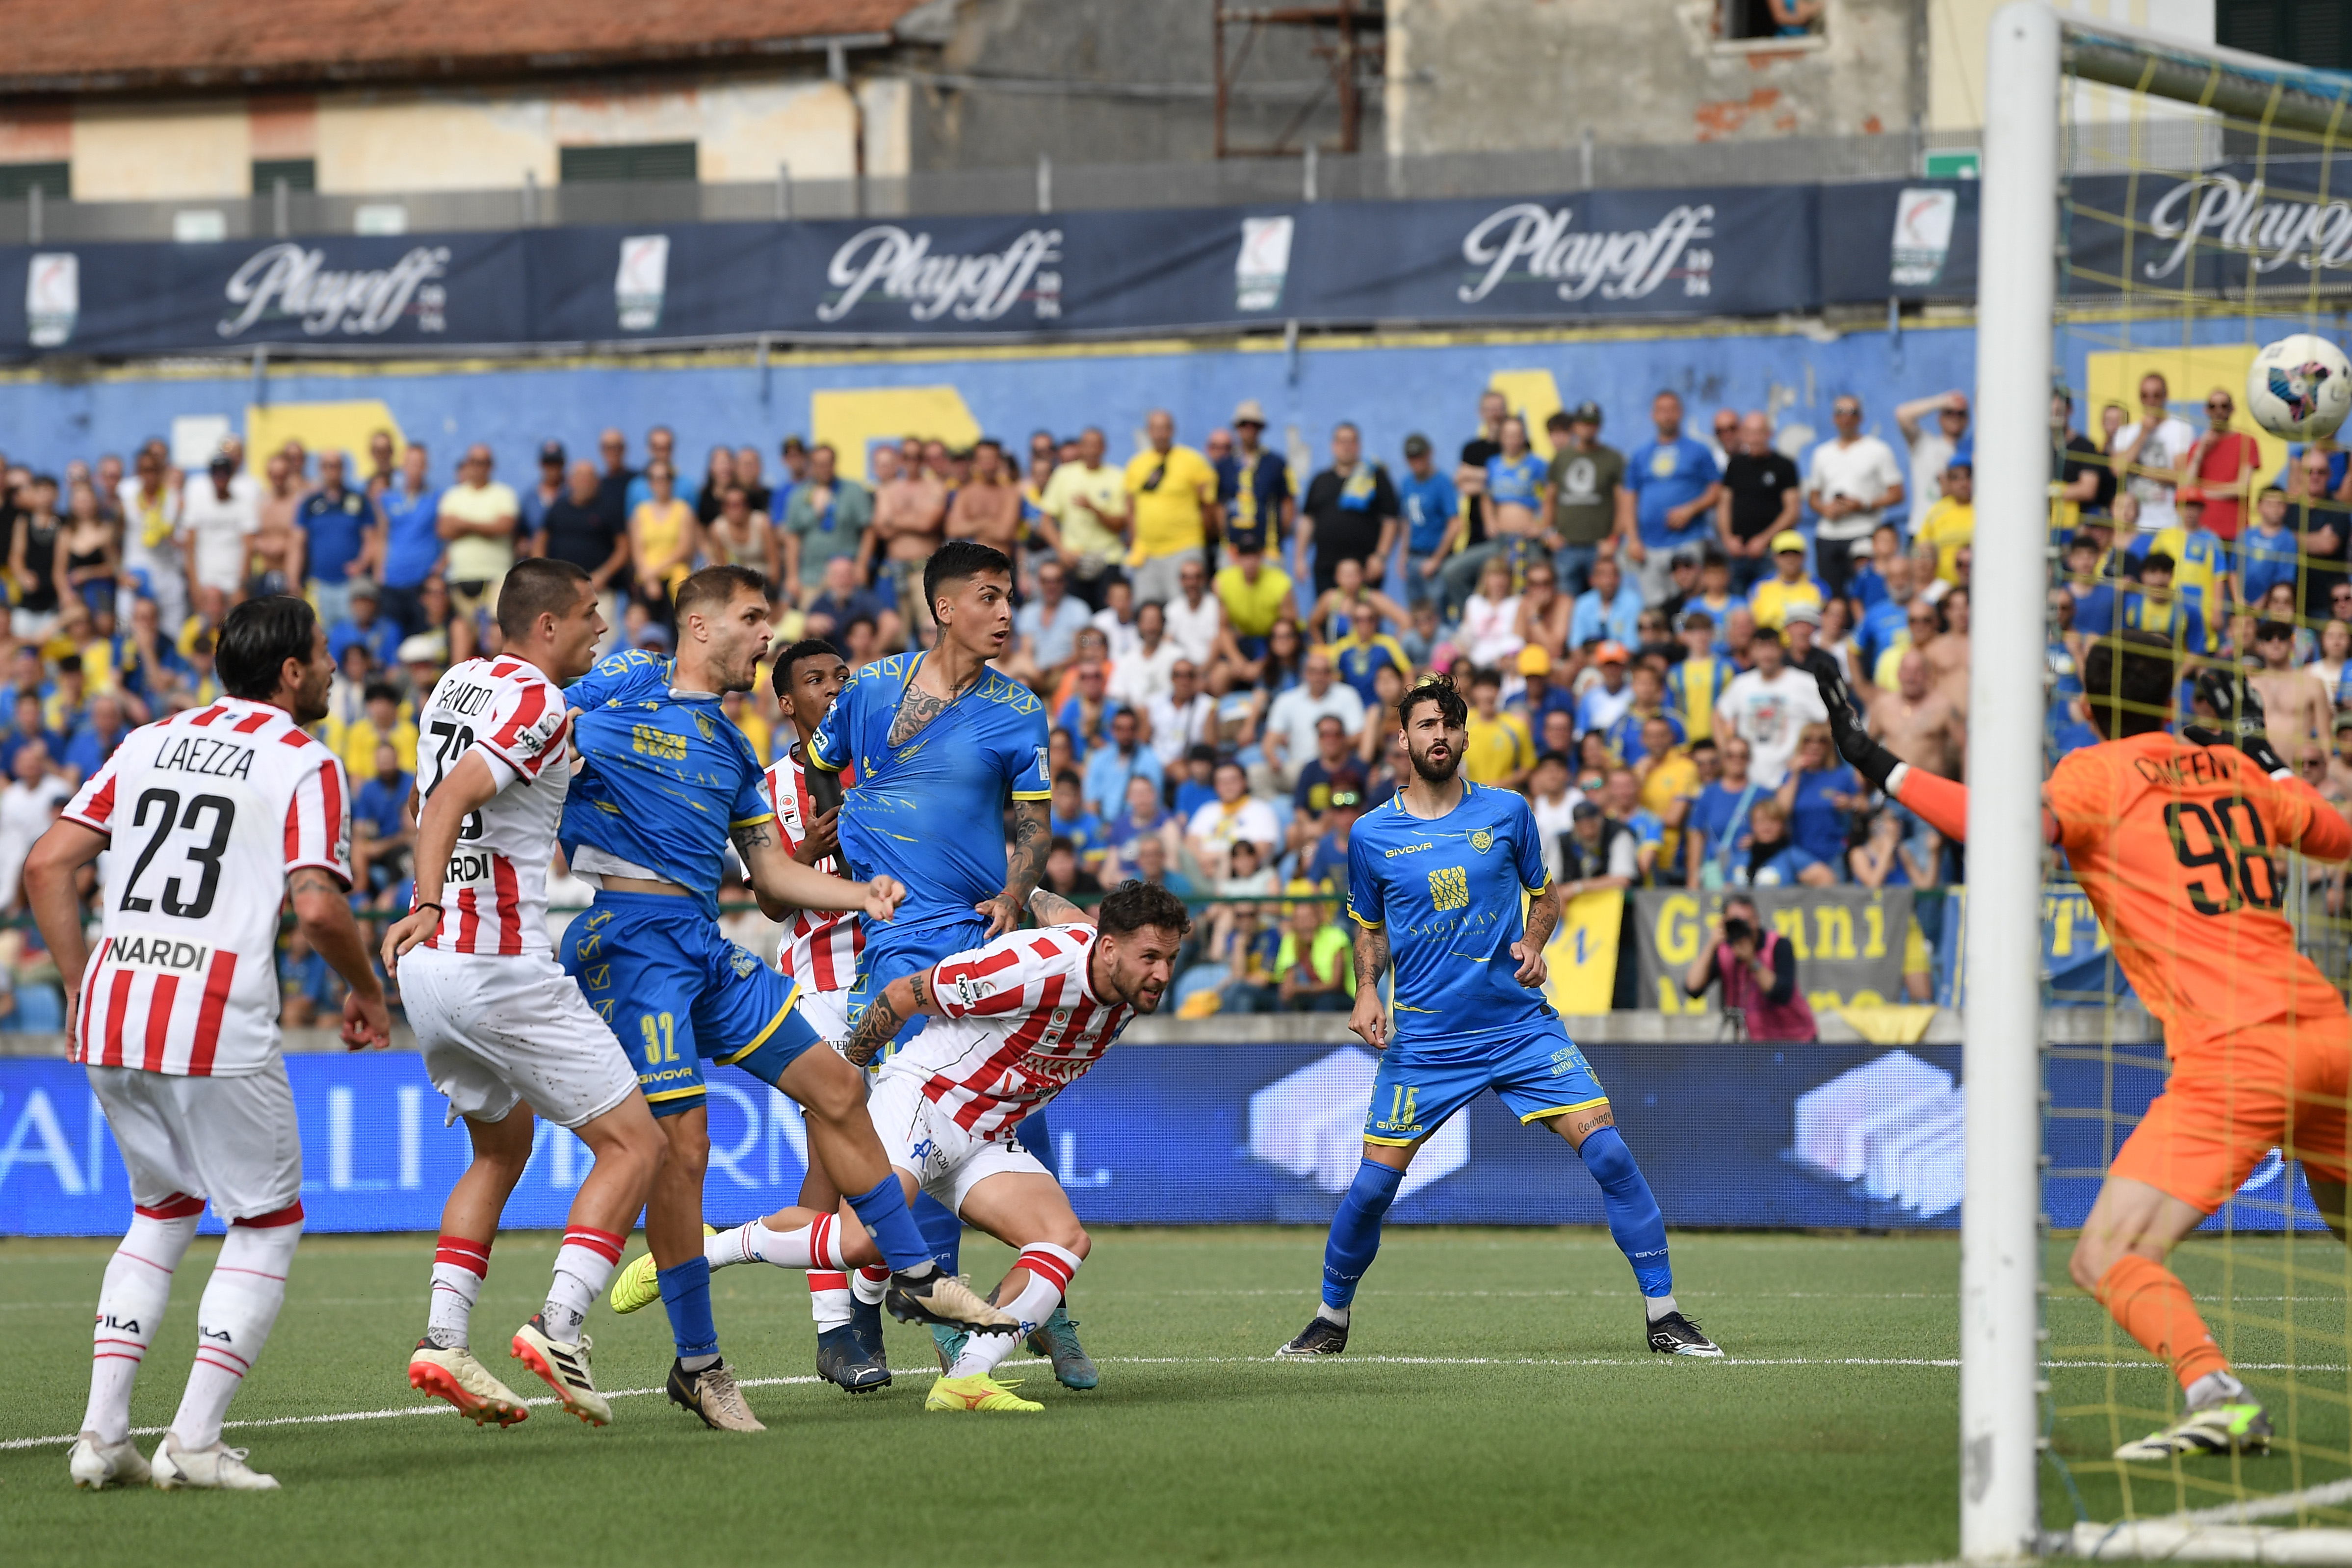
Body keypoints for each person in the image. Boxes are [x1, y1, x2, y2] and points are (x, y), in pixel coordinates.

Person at [1819, 643, 2352, 1461]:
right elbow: (2335, 838)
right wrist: (2265, 762)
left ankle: (2218, 1398)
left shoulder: (2091, 774)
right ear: (2171, 697)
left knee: (2105, 1253)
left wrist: (1876, 763)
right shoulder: (2231, 768)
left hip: (2235, 1052)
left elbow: (2000, 831)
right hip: (2328, 1031)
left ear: (2084, 707)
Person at [563, 565, 1014, 1433]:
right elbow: (533, 720)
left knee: (837, 1093)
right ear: (700, 627)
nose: (768, 633)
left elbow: (767, 875)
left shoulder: (732, 749)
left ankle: (915, 1276)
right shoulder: (627, 681)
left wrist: (862, 895)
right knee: (681, 1150)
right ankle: (698, 1363)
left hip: (701, 942)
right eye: (753, 617)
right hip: (631, 938)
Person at [33, 595, 394, 1491]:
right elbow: (315, 903)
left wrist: (81, 981)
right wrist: (362, 987)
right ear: (291, 673)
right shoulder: (304, 760)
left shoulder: (151, 736)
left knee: (160, 1210)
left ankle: (101, 1434)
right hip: (213, 1012)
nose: (336, 667)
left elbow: (46, 864)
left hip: (116, 1007)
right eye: (323, 653)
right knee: (267, 1222)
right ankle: (193, 1441)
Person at [1276, 674, 1719, 1359]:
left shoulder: (1507, 813)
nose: (1440, 736)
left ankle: (1664, 1315)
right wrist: (1366, 991)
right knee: (1369, 1191)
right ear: (1403, 737)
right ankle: (1329, 1321)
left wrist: (1533, 944)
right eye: (1426, 724)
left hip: (1519, 1028)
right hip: (1426, 1037)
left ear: (1464, 735)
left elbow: (1546, 898)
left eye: (1450, 724)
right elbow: (1368, 928)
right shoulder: (1370, 834)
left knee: (1609, 1153)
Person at [674, 882, 1189, 1412]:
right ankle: (700, 1254)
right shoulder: (1031, 969)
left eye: (1171, 958)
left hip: (986, 1133)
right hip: (923, 1103)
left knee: (1064, 1239)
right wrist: (846, 1077)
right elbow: (902, 995)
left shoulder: (1118, 970)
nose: (1163, 974)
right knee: (860, 1245)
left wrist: (1028, 891)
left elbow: (1070, 915)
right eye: (1151, 957)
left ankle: (966, 1378)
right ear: (1108, 949)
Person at [373, 559, 667, 1429]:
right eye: (589, 617)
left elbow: (442, 799)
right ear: (546, 627)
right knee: (633, 1145)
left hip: (430, 976)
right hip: (495, 963)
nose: (598, 632)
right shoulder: (537, 701)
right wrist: (425, 902)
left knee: (499, 1150)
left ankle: (442, 1336)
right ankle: (561, 1326)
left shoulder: (456, 684)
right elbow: (457, 798)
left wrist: (427, 905)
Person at [802, 540, 1093, 1379]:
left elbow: (1033, 827)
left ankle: (1042, 1308)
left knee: (1009, 1114)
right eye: (991, 597)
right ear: (944, 608)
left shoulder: (1017, 709)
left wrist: (1014, 892)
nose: (1006, 613)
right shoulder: (866, 690)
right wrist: (846, 850)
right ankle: (948, 1314)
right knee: (920, 1134)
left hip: (984, 939)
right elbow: (819, 768)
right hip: (897, 944)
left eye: (1010, 599)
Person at [751, 635, 888, 1391]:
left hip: (899, 976)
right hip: (821, 984)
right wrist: (810, 845)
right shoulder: (768, 784)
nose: (834, 688)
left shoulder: (888, 766)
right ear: (787, 702)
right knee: (830, 1160)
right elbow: (770, 897)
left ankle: (865, 1307)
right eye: (814, 680)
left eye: (842, 676)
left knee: (902, 1155)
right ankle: (836, 1335)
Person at [1625, 391, 1724, 605]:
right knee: (1656, 609)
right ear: (1653, 415)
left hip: (1687, 541)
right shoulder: (1641, 455)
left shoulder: (1698, 451)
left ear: (1681, 413)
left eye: (1672, 410)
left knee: (1690, 604)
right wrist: (1633, 540)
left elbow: (1717, 490)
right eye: (1662, 411)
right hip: (1649, 546)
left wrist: (1690, 510)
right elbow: (1629, 499)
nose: (1667, 416)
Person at [1803, 396, 1905, 599]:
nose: (1846, 418)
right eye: (1841, 412)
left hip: (1865, 532)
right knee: (1832, 596)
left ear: (1861, 418)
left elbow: (1897, 493)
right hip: (1829, 535)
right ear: (1834, 418)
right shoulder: (1822, 453)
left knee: (1866, 592)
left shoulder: (1878, 450)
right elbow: (1813, 497)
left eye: (1852, 413)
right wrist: (1825, 509)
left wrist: (1864, 504)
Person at [1679, 892, 1817, 1041]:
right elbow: (1693, 988)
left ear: (1757, 920)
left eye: (1747, 921)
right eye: (1736, 923)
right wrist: (1711, 945)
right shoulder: (1725, 952)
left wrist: (1752, 961)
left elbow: (1781, 994)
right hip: (1757, 1045)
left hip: (1797, 1041)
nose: (1743, 929)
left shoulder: (1778, 945)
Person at [1124, 409, 1219, 604]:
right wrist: (1136, 543)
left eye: (1164, 428)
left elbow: (1209, 505)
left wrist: (1204, 536)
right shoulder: (1136, 465)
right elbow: (1131, 510)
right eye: (1155, 428)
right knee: (1146, 610)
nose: (1160, 434)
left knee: (1185, 607)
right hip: (1147, 553)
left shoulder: (1193, 461)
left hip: (1184, 547)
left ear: (1172, 431)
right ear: (1148, 432)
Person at [1714, 627, 1827, 788]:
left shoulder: (1804, 683)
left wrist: (1815, 755)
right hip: (1751, 781)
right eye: (1760, 648)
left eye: (1772, 647)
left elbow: (1836, 717)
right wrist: (1727, 751)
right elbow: (1718, 716)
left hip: (1795, 780)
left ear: (1782, 650)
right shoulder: (1742, 684)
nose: (1766, 654)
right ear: (1752, 652)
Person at [1298, 422, 1400, 597]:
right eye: (1342, 441)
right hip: (1326, 567)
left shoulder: (1374, 477)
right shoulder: (1320, 480)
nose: (1347, 447)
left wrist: (1381, 556)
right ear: (1333, 446)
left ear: (1358, 445)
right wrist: (1300, 558)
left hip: (1364, 569)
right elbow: (1308, 520)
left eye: (1351, 442)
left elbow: (1391, 519)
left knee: (1365, 619)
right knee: (1329, 620)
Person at [1038, 426, 1130, 610]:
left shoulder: (1118, 477)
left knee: (1107, 616)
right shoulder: (1064, 475)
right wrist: (1062, 550)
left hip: (1108, 559)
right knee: (1077, 617)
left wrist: (1094, 509)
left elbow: (1120, 525)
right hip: (1074, 560)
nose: (1092, 451)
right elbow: (1045, 522)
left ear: (1104, 448)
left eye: (1096, 446)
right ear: (1080, 448)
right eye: (1087, 445)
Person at [1547, 401, 1630, 598]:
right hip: (1566, 546)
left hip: (1600, 548)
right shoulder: (1562, 458)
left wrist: (1614, 539)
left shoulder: (1612, 459)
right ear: (1575, 426)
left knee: (1604, 601)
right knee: (1566, 603)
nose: (1588, 428)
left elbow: (1623, 503)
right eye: (1583, 423)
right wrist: (1549, 533)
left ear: (1599, 427)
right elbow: (1550, 498)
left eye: (1592, 423)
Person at [779, 444, 873, 608]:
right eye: (819, 464)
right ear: (811, 465)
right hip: (811, 575)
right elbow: (792, 538)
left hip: (847, 574)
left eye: (828, 463)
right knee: (811, 623)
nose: (824, 468)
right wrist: (792, 576)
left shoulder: (854, 491)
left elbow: (869, 530)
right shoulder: (798, 496)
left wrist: (862, 565)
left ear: (835, 463)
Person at [1717, 412, 1801, 594]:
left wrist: (1764, 540)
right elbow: (1724, 505)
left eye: (1759, 433)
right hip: (1737, 553)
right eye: (1749, 433)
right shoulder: (1735, 465)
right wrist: (1728, 539)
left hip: (1770, 554)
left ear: (1769, 434)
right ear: (1743, 435)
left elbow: (1792, 511)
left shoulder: (1784, 466)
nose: (1754, 439)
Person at [298, 450, 378, 629]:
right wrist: (295, 580)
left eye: (337, 466)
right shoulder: (310, 503)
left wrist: (361, 564)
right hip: (319, 583)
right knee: (320, 636)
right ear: (321, 469)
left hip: (349, 584)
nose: (333, 470)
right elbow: (298, 544)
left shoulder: (358, 501)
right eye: (328, 466)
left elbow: (372, 539)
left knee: (349, 636)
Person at [2113, 370, 2198, 536]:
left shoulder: (2181, 429)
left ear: (2166, 396)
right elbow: (2118, 469)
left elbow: (2181, 477)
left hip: (2170, 524)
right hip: (2135, 526)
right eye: (2145, 396)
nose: (2151, 401)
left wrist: (2138, 469)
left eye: (2156, 395)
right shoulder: (2127, 433)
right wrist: (2144, 432)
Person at [181, 448, 261, 611]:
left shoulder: (243, 505)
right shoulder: (198, 504)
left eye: (225, 472)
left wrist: (242, 584)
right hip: (206, 581)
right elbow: (189, 546)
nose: (221, 477)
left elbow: (249, 547)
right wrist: (194, 584)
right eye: (217, 472)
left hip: (233, 581)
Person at [1220, 399, 1296, 560]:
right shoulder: (1225, 465)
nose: (1249, 429)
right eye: (1244, 424)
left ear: (1261, 428)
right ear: (1237, 428)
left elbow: (1288, 503)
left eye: (1254, 425)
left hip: (1268, 549)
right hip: (1233, 549)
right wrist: (1225, 534)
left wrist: (1279, 535)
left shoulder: (1276, 463)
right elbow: (1218, 505)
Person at [627, 459, 699, 623]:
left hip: (674, 573)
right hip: (646, 575)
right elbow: (637, 550)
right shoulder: (640, 512)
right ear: (650, 482)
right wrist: (650, 578)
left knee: (679, 607)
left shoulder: (684, 510)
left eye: (665, 477)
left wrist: (655, 572)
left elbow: (684, 548)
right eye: (655, 478)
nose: (661, 483)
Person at [1396, 433, 1461, 606]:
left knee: (1435, 612)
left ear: (1430, 454)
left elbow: (1455, 525)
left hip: (1434, 557)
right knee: (1415, 611)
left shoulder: (1442, 483)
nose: (1416, 461)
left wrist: (1437, 560)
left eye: (1420, 456)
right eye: (1411, 457)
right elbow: (1407, 522)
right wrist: (1403, 556)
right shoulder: (1406, 483)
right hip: (1413, 557)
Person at [1894, 389, 1971, 530]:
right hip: (1923, 529)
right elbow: (1902, 414)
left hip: (1959, 531)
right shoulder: (1925, 445)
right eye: (1949, 413)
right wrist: (1942, 402)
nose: (1955, 418)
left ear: (1967, 420)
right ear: (1940, 418)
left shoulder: (1974, 451)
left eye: (1960, 414)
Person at [1746, 530, 1827, 632]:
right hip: (1769, 645)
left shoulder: (1819, 587)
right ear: (1775, 558)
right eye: (1784, 554)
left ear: (1804, 557)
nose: (1790, 559)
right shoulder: (1759, 587)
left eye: (1795, 554)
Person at [1569, 553, 1643, 648]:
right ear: (1592, 580)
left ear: (1619, 578)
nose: (1609, 581)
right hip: (1590, 658)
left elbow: (1632, 645)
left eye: (1613, 575)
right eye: (1603, 575)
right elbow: (1575, 643)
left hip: (1621, 658)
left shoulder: (1633, 602)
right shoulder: (1582, 603)